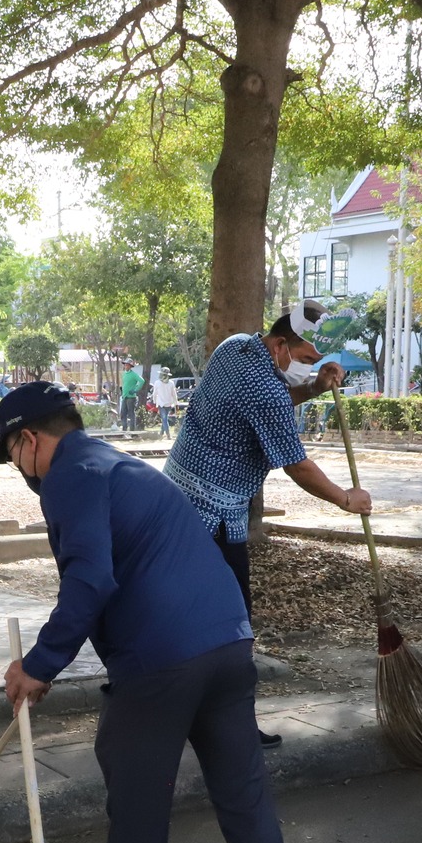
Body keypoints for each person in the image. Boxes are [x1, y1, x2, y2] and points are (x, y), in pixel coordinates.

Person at [0, 383, 300, 843]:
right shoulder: (117, 462)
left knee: (138, 807)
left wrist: (39, 664)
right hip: (229, 645)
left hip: (160, 663)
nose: (17, 471)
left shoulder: (70, 475)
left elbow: (90, 581)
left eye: (12, 456)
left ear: (28, 439)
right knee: (246, 803)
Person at [164, 299, 371, 746]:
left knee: (178, 608)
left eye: (316, 361)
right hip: (212, 513)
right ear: (280, 345)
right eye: (306, 359)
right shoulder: (266, 390)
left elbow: (268, 405)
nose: (309, 365)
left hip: (175, 497)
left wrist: (314, 385)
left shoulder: (236, 346)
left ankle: (161, 697)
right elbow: (296, 463)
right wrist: (345, 499)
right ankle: (229, 724)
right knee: (232, 623)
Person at [151, 371, 178, 439]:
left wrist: (154, 401)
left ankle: (168, 434)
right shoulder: (171, 383)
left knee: (164, 419)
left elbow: (154, 394)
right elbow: (174, 394)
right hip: (166, 404)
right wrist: (175, 403)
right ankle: (161, 433)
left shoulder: (158, 383)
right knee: (164, 418)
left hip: (163, 404)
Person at [119, 360, 146, 431]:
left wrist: (136, 390)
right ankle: (124, 429)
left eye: (127, 365)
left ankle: (132, 430)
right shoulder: (124, 374)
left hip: (131, 397)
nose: (126, 366)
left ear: (130, 366)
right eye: (125, 365)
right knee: (123, 414)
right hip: (125, 396)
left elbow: (142, 381)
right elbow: (125, 384)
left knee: (131, 414)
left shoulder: (133, 374)